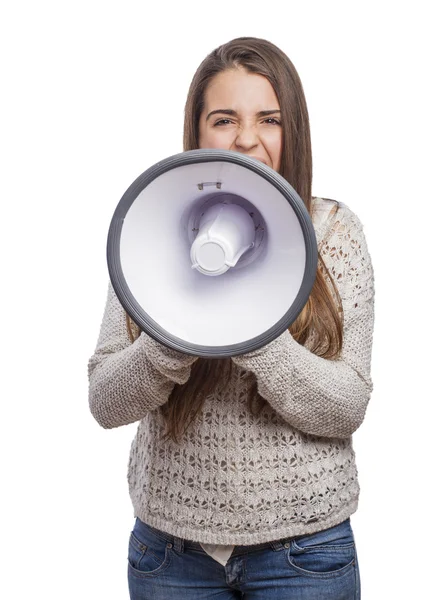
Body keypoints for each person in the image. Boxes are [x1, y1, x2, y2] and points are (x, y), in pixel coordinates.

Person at [88, 36, 375, 600]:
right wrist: (169, 340)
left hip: (305, 553)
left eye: (268, 119)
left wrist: (255, 330)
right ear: (196, 131)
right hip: (170, 554)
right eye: (224, 119)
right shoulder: (153, 227)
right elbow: (104, 400)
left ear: (293, 131)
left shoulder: (336, 233)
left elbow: (348, 406)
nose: (247, 138)